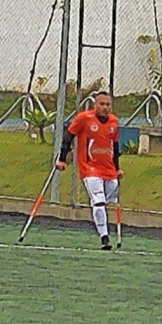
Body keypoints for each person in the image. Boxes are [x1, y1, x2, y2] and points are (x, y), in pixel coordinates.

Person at [56, 91, 122, 250]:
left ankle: (101, 220)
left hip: (109, 169)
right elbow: (68, 135)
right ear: (95, 105)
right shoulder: (84, 119)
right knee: (98, 201)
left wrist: (117, 169)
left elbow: (115, 146)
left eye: (108, 104)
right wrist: (62, 159)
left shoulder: (114, 122)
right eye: (102, 104)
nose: (105, 107)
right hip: (89, 168)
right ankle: (104, 237)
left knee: (107, 199)